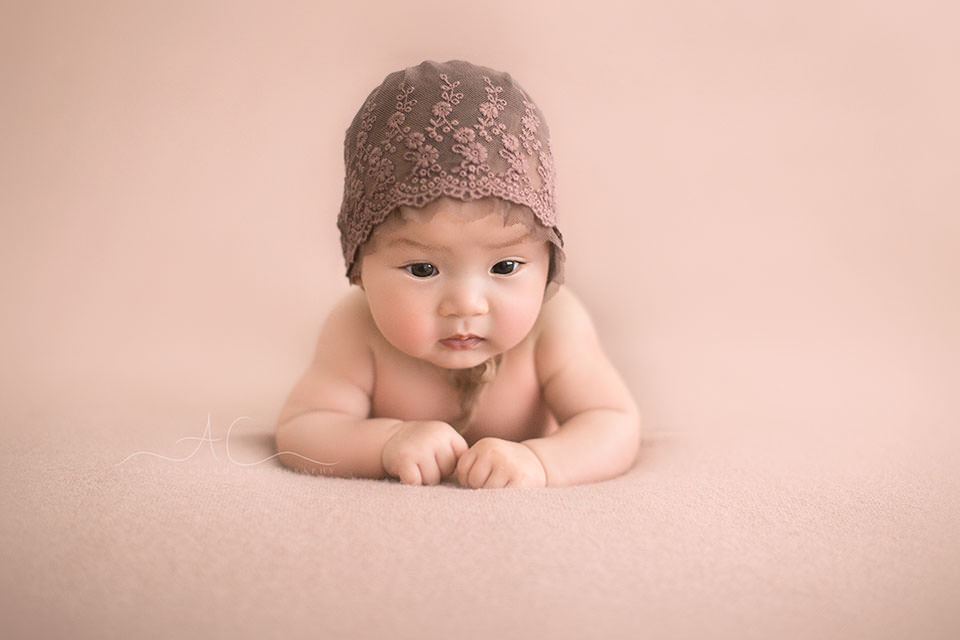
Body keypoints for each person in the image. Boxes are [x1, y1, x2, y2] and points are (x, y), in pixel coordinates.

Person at [275, 60, 640, 488]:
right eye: (423, 269)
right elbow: (303, 428)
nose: (466, 303)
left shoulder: (555, 326)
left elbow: (613, 423)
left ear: (548, 262)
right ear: (359, 267)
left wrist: (540, 461)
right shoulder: (357, 329)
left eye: (505, 266)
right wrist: (386, 441)